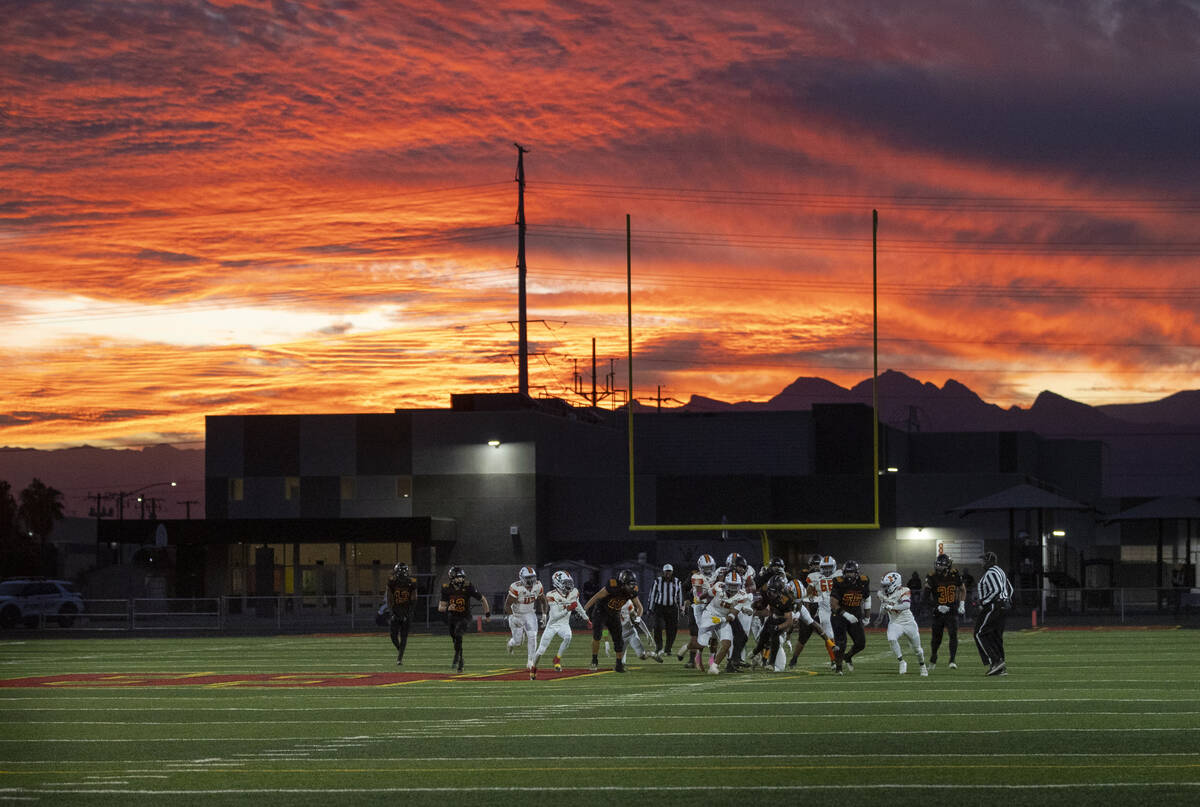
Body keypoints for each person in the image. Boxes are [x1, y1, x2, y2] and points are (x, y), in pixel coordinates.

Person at [676, 570, 755, 674]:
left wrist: (722, 619)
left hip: (724, 618)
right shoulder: (718, 587)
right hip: (710, 615)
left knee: (727, 643)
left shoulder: (742, 596)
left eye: (736, 586)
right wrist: (699, 599)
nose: (733, 588)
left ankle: (714, 666)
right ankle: (686, 647)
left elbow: (732, 615)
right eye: (731, 585)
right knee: (701, 644)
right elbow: (707, 594)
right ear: (726, 584)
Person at [530, 570, 589, 679]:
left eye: (569, 582)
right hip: (553, 624)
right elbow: (555, 616)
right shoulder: (551, 595)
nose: (569, 585)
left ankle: (557, 658)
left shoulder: (574, 592)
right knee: (541, 650)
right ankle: (534, 667)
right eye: (565, 583)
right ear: (557, 583)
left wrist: (586, 618)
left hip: (564, 624)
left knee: (568, 636)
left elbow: (578, 605)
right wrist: (568, 609)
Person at [583, 569, 644, 673]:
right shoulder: (613, 585)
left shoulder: (633, 591)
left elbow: (640, 607)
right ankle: (594, 659)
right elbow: (596, 596)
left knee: (618, 639)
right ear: (622, 582)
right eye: (629, 584)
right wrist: (584, 610)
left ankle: (619, 664)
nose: (631, 587)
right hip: (601, 611)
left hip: (615, 613)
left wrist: (638, 618)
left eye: (632, 584)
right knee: (597, 635)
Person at [437, 565, 491, 672]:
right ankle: (460, 658)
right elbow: (440, 607)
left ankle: (459, 660)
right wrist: (448, 607)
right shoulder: (446, 588)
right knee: (455, 640)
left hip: (465, 616)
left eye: (461, 577)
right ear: (452, 578)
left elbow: (483, 599)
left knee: (458, 634)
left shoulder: (468, 586)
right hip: (452, 617)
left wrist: (487, 614)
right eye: (457, 577)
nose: (460, 579)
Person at [877, 571, 929, 676]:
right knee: (891, 638)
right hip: (895, 623)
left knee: (917, 649)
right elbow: (882, 609)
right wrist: (881, 615)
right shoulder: (882, 594)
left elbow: (906, 606)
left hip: (908, 622)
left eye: (887, 585)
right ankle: (901, 662)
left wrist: (892, 607)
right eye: (884, 585)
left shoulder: (904, 590)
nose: (885, 588)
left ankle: (922, 665)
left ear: (895, 584)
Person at [923, 553, 966, 670]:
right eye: (937, 565)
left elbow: (963, 589)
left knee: (953, 635)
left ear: (947, 566)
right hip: (938, 612)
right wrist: (937, 607)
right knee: (936, 637)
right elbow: (925, 598)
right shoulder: (931, 576)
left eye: (941, 565)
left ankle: (952, 660)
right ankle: (933, 657)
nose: (938, 567)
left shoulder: (954, 573)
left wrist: (962, 604)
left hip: (952, 610)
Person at [974, 551, 1014, 676]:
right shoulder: (1000, 571)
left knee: (979, 633)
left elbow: (996, 590)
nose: (982, 563)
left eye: (984, 561)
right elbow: (1010, 589)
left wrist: (983, 601)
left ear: (989, 561)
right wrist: (1007, 599)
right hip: (1003, 606)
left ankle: (995, 661)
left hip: (994, 606)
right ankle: (1000, 666)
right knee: (995, 635)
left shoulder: (991, 572)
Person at [829, 559, 871, 674]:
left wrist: (867, 616)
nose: (849, 575)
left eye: (851, 572)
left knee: (861, 643)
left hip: (856, 614)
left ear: (856, 572)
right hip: (839, 615)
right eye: (847, 572)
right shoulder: (838, 581)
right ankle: (838, 668)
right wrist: (846, 615)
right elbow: (833, 604)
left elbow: (867, 597)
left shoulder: (863, 581)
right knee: (841, 643)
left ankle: (847, 657)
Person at [504, 565, 546, 674]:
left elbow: (543, 600)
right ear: (522, 578)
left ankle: (530, 661)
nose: (531, 580)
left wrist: (544, 614)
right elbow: (507, 605)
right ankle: (510, 643)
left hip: (529, 613)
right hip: (516, 614)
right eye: (528, 578)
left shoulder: (538, 586)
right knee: (518, 642)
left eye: (532, 577)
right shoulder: (516, 587)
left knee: (532, 636)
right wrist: (512, 617)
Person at [807, 554, 843, 668]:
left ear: (834, 566)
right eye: (825, 567)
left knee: (839, 636)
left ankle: (839, 658)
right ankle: (833, 660)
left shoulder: (840, 574)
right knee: (828, 636)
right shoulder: (814, 576)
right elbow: (808, 592)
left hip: (838, 608)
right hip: (824, 609)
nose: (827, 570)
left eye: (829, 567)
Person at [684, 554, 718, 668]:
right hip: (700, 607)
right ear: (700, 567)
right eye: (705, 567)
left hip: (712, 607)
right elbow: (699, 595)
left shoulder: (716, 575)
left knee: (714, 635)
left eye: (710, 567)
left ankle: (712, 658)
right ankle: (698, 656)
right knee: (703, 634)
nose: (708, 570)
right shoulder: (697, 577)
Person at [384, 562, 419, 665]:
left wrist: (408, 613)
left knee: (403, 636)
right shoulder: (392, 582)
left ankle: (400, 658)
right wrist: (392, 611)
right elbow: (389, 598)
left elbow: (414, 599)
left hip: (406, 610)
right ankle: (400, 651)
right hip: (396, 610)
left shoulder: (411, 582)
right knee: (393, 635)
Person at [647, 564, 684, 655]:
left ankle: (668, 649)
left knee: (672, 629)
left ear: (672, 572)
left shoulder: (677, 581)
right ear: (663, 572)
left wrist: (682, 608)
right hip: (660, 607)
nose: (668, 573)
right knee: (657, 627)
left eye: (669, 571)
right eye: (666, 571)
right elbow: (652, 595)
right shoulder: (657, 581)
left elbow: (680, 596)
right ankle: (659, 647)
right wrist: (650, 608)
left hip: (672, 608)